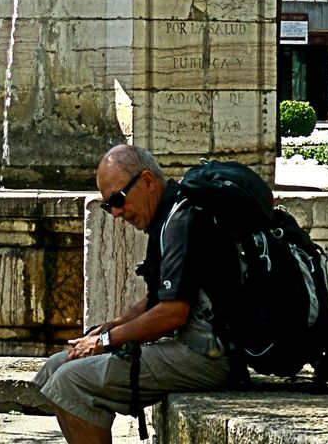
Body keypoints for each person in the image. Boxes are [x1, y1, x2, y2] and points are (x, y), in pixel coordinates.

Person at [33, 144, 230, 444]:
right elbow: (156, 300)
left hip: (213, 356)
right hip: (196, 345)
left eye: (118, 199)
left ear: (148, 181)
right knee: (56, 366)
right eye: (107, 205)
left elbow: (172, 314)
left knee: (70, 381)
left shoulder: (181, 220)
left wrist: (106, 342)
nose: (115, 212)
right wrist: (108, 328)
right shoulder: (165, 218)